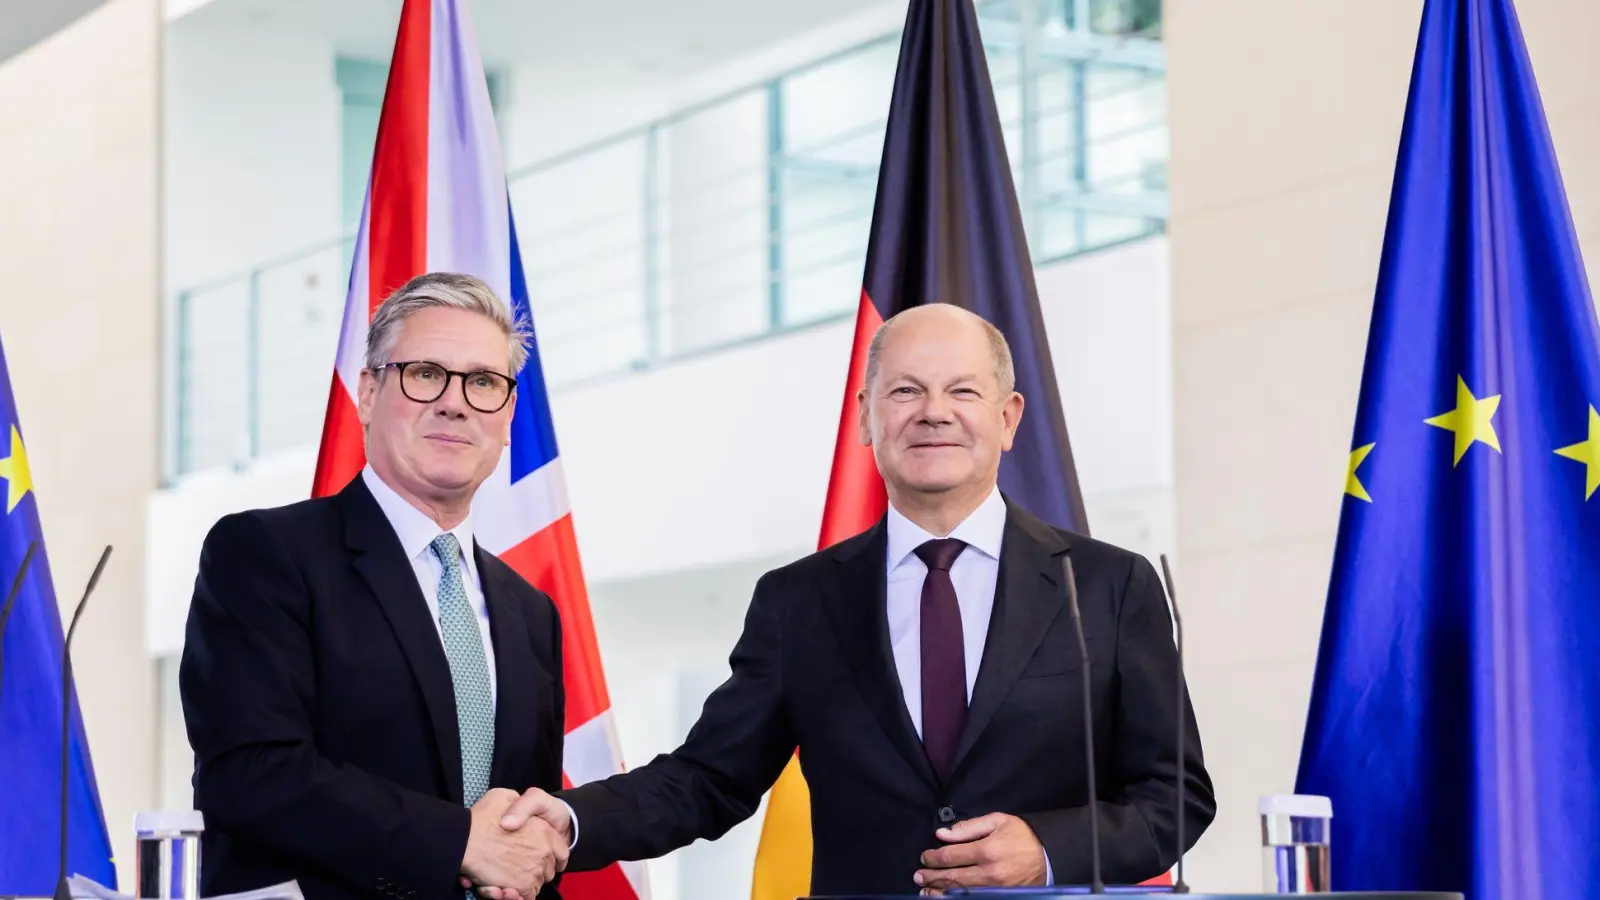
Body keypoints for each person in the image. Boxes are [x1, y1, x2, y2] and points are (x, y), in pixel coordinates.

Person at [497, 303, 1215, 895]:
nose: (934, 413)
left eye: (963, 391)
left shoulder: (1106, 585)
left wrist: (1047, 849)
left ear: (1008, 417)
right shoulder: (799, 601)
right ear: (868, 416)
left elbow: (1175, 795)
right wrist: (568, 822)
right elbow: (707, 778)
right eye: (906, 390)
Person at [180, 273, 572, 900]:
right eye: (425, 374)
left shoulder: (532, 612)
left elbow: (521, 825)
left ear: (507, 416)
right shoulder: (265, 554)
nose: (455, 402)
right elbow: (249, 776)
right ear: (367, 393)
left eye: (483, 383)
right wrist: (455, 841)